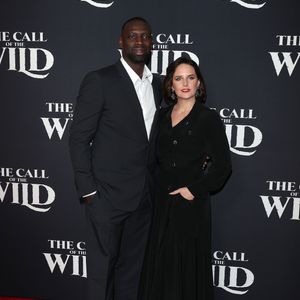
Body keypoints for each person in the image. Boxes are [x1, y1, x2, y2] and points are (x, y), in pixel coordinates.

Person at [69, 17, 162, 300]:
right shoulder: (100, 80)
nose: (139, 42)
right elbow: (78, 138)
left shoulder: (158, 85)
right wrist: (89, 192)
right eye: (133, 36)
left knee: (132, 274)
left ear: (151, 42)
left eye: (145, 36)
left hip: (144, 199)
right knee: (102, 274)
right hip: (106, 199)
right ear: (120, 42)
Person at [139, 57, 232, 300]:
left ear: (199, 83)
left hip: (190, 207)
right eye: (178, 78)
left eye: (191, 77)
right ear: (170, 84)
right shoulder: (161, 116)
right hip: (160, 206)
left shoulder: (207, 118)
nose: (185, 83)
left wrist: (193, 189)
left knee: (185, 272)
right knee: (160, 269)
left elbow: (223, 166)